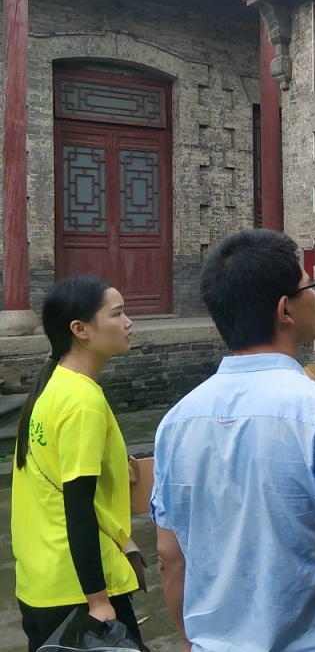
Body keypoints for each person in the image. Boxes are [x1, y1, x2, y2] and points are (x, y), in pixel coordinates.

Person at [151, 228, 315, 652]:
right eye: (311, 287)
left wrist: (192, 644)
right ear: (285, 309)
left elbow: (170, 559)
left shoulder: (175, 423)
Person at [11, 275, 144, 651]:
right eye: (116, 314)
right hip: (79, 591)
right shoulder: (83, 402)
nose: (128, 322)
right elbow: (78, 505)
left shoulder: (54, 385)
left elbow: (55, 472)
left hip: (40, 581)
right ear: (80, 329)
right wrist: (98, 600)